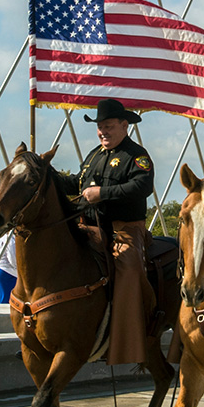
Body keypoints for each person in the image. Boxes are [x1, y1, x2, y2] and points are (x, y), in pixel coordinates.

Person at [61, 98, 156, 365]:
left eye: (108, 126)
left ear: (124, 125)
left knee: (127, 267)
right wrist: (45, 174)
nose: (103, 131)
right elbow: (76, 183)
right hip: (88, 227)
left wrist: (102, 193)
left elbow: (142, 186)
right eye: (100, 126)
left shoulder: (137, 156)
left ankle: (125, 340)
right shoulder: (93, 156)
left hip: (123, 232)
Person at [0, 232, 18, 304]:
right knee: (5, 307)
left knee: (3, 304)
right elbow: (13, 258)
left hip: (1, 272)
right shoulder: (10, 236)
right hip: (7, 274)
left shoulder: (2, 235)